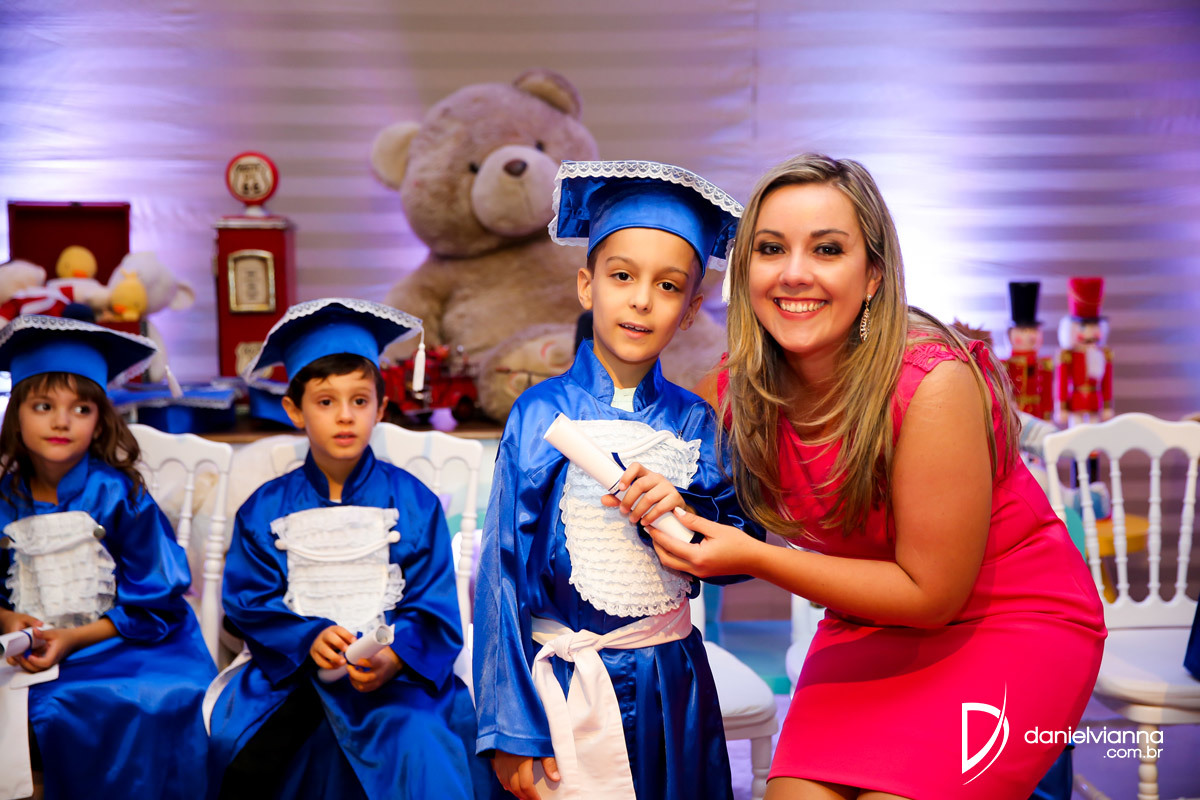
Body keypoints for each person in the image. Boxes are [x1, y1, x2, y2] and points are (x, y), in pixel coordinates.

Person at [640, 154, 1107, 799]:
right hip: (869, 623)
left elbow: (932, 594)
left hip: (1006, 624)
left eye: (827, 249)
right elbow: (689, 487)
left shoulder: (931, 385)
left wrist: (756, 557)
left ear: (873, 276)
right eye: (770, 248)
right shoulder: (734, 394)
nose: (794, 272)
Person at [473, 160, 765, 800]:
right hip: (564, 689)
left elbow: (743, 551)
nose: (641, 299)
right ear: (587, 285)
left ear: (690, 310)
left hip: (671, 687)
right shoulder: (539, 414)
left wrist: (685, 508)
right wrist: (511, 729)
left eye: (668, 285)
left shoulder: (695, 422)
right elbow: (500, 573)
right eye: (622, 276)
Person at [206, 298, 494, 800]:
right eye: (325, 402)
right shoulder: (263, 508)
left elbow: (432, 606)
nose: (345, 416)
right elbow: (250, 601)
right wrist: (306, 638)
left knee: (421, 741)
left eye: (359, 401)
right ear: (294, 410)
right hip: (292, 676)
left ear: (380, 408)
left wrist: (396, 658)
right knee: (256, 747)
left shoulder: (414, 502)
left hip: (395, 680)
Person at [0, 315, 216, 799]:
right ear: (17, 414)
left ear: (100, 419)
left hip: (125, 641)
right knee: (53, 704)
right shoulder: (3, 502)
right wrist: (9, 618)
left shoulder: (119, 495)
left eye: (81, 408)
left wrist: (74, 638)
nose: (61, 421)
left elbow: (157, 598)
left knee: (163, 696)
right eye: (43, 406)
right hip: (33, 654)